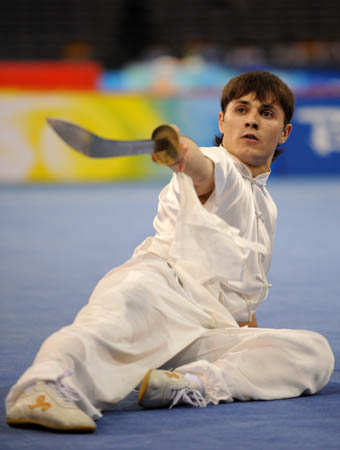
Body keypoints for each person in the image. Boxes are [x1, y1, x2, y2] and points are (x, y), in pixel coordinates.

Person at [6, 71, 334, 432]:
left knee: (314, 353)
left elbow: (241, 303)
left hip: (202, 329)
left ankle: (186, 385)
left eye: (267, 113)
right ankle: (42, 390)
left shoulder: (266, 206)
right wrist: (180, 151)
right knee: (106, 325)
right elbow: (202, 168)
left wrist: (248, 335)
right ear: (223, 120)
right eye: (241, 109)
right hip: (159, 293)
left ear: (285, 131)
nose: (253, 118)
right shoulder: (219, 165)